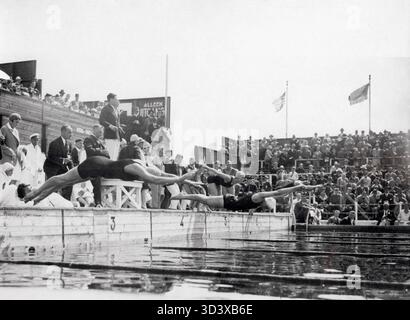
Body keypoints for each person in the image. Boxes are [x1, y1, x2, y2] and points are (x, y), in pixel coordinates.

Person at [24, 156, 197, 205]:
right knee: (61, 180)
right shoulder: (137, 168)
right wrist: (182, 177)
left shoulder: (143, 164)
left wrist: (189, 182)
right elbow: (154, 179)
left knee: (64, 183)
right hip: (94, 165)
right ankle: (34, 193)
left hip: (99, 167)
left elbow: (163, 176)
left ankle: (36, 198)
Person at [170, 183, 320, 212]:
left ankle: (188, 195)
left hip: (230, 204)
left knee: (204, 201)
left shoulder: (258, 204)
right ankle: (183, 195)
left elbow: (278, 196)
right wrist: (297, 188)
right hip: (228, 201)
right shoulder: (259, 196)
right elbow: (277, 192)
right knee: (202, 199)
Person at [43, 125, 74, 201]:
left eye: (71, 133)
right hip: (52, 169)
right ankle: (51, 203)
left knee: (69, 183)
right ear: (63, 132)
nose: (71, 134)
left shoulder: (69, 144)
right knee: (53, 189)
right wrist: (63, 160)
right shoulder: (54, 143)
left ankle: (66, 202)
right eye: (69, 132)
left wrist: (73, 170)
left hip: (61, 168)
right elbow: (51, 157)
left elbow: (68, 159)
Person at [83, 124, 110, 207]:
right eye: (99, 132)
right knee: (96, 184)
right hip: (91, 166)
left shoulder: (99, 141)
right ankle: (98, 202)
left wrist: (102, 152)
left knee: (102, 184)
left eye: (101, 132)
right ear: (94, 130)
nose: (101, 134)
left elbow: (107, 154)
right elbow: (90, 150)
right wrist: (101, 151)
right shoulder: (88, 139)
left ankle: (102, 202)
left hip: (99, 166)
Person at [99, 93, 123, 160]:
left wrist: (119, 128)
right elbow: (101, 120)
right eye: (116, 99)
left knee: (115, 157)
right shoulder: (105, 108)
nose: (117, 100)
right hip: (109, 136)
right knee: (111, 156)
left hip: (117, 136)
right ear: (111, 100)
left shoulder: (116, 110)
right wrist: (110, 126)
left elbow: (117, 123)